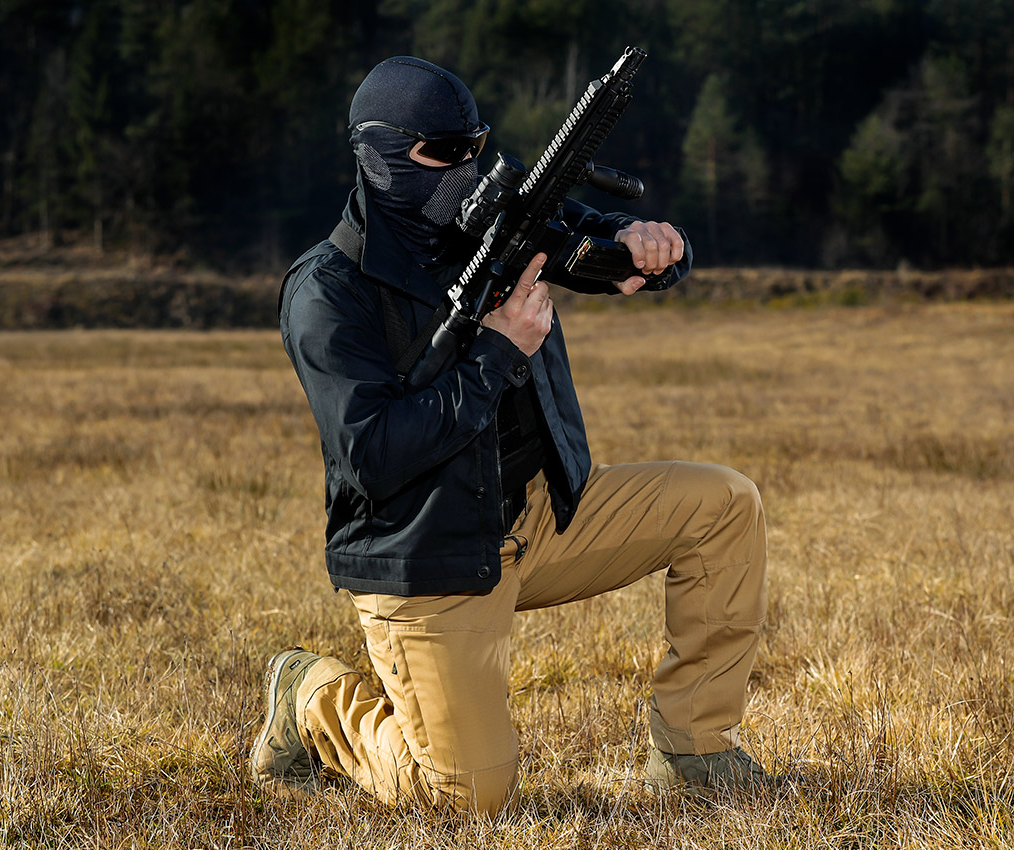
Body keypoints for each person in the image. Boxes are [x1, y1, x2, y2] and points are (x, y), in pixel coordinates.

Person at [251, 55, 768, 815]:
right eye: (440, 156)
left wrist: (650, 247)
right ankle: (311, 696)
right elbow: (372, 454)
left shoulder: (488, 220)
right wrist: (496, 351)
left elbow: (590, 242)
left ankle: (693, 751)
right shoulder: (327, 292)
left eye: (474, 150)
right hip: (425, 556)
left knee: (725, 504)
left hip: (539, 515)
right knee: (465, 797)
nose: (464, 172)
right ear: (378, 154)